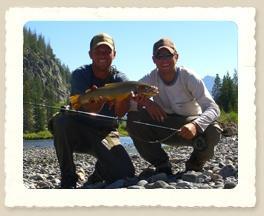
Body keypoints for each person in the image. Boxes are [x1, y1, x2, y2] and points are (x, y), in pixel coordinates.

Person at [49, 33, 135, 188]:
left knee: (125, 172)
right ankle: (68, 177)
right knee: (61, 121)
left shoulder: (122, 81)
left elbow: (120, 113)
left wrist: (125, 100)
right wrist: (95, 105)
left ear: (114, 55)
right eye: (98, 51)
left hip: (105, 132)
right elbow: (82, 106)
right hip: (78, 130)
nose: (102, 54)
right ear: (90, 54)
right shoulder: (80, 74)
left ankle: (97, 175)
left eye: (107, 51)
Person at [127, 38, 222, 175]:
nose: (164, 60)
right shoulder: (149, 79)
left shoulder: (189, 77)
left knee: (214, 129)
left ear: (176, 57)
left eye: (168, 55)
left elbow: (213, 108)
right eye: (160, 56)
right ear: (154, 59)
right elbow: (129, 102)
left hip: (191, 128)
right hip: (163, 126)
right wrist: (147, 103)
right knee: (134, 119)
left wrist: (196, 125)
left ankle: (195, 164)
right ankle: (162, 165)